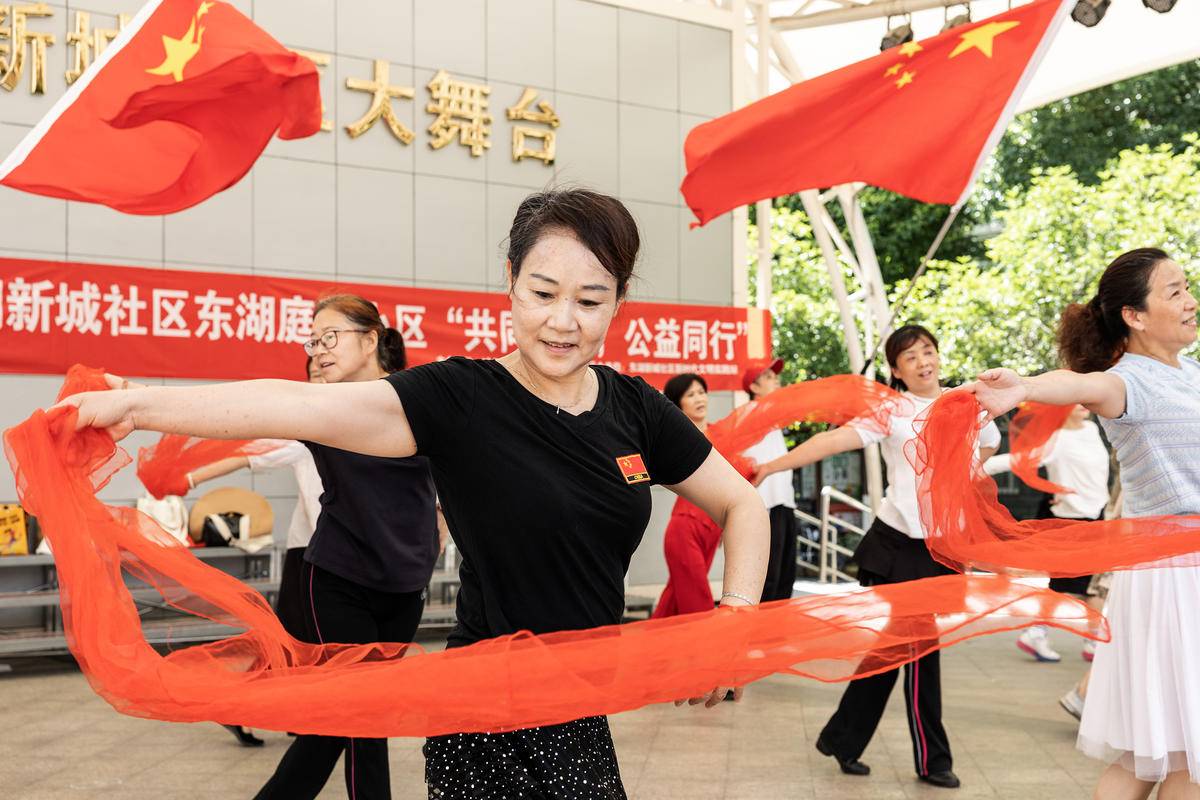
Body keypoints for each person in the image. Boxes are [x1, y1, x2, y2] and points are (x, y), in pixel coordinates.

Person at [61, 188, 770, 800]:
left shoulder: (634, 409)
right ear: (510, 282)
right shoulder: (461, 397)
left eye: (591, 300)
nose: (564, 321)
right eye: (544, 293)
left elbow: (742, 505)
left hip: (583, 709)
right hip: (484, 713)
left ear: (619, 300)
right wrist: (143, 404)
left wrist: (737, 617)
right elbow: (295, 407)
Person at [969, 247, 1200, 800]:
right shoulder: (1125, 383)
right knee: (1184, 757)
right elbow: (1078, 385)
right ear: (1134, 316)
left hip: (1181, 573)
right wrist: (1023, 387)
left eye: (1187, 286)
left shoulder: (1189, 371)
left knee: (1152, 756)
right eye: (1174, 291)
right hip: (1173, 577)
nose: (1191, 301)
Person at [754, 324, 1000, 790]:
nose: (923, 361)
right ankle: (933, 760)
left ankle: (842, 739)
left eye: (928, 351)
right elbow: (834, 441)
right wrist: (773, 465)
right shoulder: (893, 410)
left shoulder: (969, 403)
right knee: (922, 650)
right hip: (897, 544)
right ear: (896, 370)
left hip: (941, 547)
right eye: (911, 357)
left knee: (892, 650)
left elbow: (988, 446)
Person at [254, 294, 438, 800]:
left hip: (404, 584)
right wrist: (134, 401)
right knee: (366, 718)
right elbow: (242, 418)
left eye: (329, 337)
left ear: (372, 338)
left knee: (335, 726)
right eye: (313, 341)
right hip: (337, 580)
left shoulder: (420, 400)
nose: (318, 351)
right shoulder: (320, 407)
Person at [983, 403, 1110, 669]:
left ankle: (1065, 635)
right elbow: (1018, 460)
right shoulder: (1056, 439)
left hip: (1096, 517)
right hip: (1071, 521)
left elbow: (1096, 475)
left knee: (1087, 585)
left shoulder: (1091, 430)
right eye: (1074, 401)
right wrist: (977, 466)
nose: (1082, 404)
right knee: (1085, 585)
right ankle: (1079, 637)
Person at [652, 373, 724, 618]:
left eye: (702, 392)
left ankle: (648, 653)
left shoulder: (724, 434)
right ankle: (708, 655)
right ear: (678, 403)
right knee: (698, 604)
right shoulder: (674, 436)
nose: (699, 398)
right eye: (690, 394)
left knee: (674, 601)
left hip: (713, 528)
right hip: (686, 529)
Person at [740, 358, 798, 602]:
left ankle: (777, 634)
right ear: (754, 387)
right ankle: (761, 636)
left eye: (775, 377)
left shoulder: (773, 418)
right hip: (764, 506)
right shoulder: (750, 413)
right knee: (769, 577)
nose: (777, 381)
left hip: (784, 504)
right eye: (769, 377)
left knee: (785, 576)